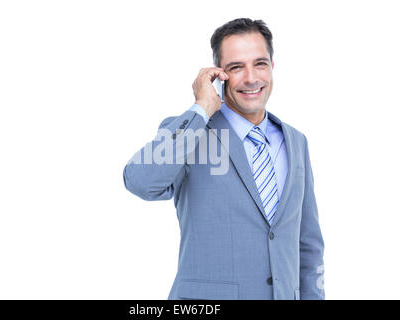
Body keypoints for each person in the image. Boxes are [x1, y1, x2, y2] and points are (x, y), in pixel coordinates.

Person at [123, 18, 325, 300]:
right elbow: (140, 181)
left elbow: (309, 243)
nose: (251, 77)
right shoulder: (191, 132)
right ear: (219, 74)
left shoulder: (296, 141)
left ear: (272, 66)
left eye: (260, 63)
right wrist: (201, 108)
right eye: (236, 67)